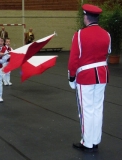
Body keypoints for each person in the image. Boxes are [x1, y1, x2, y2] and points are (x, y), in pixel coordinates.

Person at [68, 4, 111, 152]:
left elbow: (73, 59)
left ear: (86, 17)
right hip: (102, 75)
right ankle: (95, 140)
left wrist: (71, 77)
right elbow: (107, 53)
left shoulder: (79, 35)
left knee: (86, 110)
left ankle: (87, 142)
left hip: (85, 76)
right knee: (98, 109)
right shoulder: (107, 34)